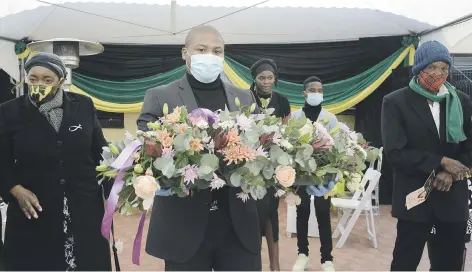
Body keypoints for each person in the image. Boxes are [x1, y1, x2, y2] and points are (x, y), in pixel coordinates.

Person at [137, 25, 262, 271]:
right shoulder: (160, 96)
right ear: (185, 53)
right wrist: (158, 178)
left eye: (217, 51)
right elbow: (143, 152)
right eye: (201, 49)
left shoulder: (245, 99)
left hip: (237, 225)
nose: (210, 56)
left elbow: (261, 149)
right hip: (184, 227)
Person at [0, 52, 111, 271]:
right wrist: (14, 188)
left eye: (47, 79)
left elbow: (101, 151)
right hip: (35, 211)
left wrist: (112, 192)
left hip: (84, 207)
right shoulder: (9, 111)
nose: (39, 84)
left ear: (61, 80)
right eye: (33, 79)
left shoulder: (84, 105)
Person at [381, 41, 472, 271]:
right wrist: (440, 163)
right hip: (415, 198)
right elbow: (395, 152)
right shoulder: (395, 102)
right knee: (404, 263)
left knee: (449, 265)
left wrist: (452, 175)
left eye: (444, 68)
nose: (438, 74)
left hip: (452, 199)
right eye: (432, 68)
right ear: (419, 68)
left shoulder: (461, 102)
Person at [291, 76, 338, 272]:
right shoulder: (295, 117)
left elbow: (337, 148)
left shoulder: (330, 118)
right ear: (304, 93)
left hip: (323, 176)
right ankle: (303, 255)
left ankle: (327, 259)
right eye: (313, 90)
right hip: (301, 175)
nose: (317, 94)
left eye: (320, 90)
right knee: (301, 213)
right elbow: (290, 145)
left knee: (322, 214)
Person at [250, 58, 291, 271]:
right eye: (261, 78)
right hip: (249, 166)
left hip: (273, 169)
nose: (266, 82)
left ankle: (275, 266)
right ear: (254, 79)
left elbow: (287, 133)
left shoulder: (282, 101)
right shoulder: (246, 98)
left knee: (271, 213)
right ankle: (253, 263)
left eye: (270, 77)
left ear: (275, 78)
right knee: (252, 215)